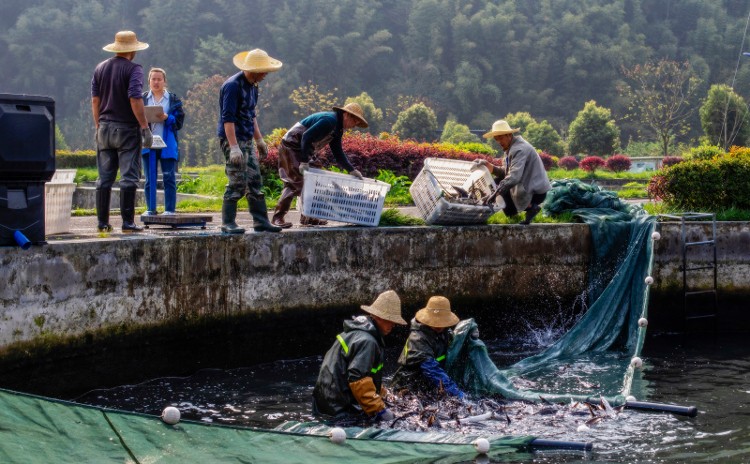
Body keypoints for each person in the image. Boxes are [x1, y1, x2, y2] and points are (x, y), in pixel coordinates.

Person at [313, 290, 407, 422]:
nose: (393, 325)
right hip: (339, 410)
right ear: (377, 316)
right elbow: (359, 379)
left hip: (325, 402)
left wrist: (384, 394)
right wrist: (381, 411)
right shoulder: (368, 341)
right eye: (389, 320)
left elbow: (365, 375)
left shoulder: (356, 332)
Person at [91, 30, 153, 232]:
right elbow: (135, 98)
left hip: (104, 127)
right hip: (126, 129)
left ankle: (102, 223)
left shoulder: (100, 68)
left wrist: (98, 125)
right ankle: (127, 222)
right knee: (128, 177)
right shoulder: (134, 69)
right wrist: (144, 127)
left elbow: (95, 100)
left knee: (104, 178)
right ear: (132, 50)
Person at [271, 103, 368, 228]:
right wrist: (304, 161)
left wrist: (352, 170)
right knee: (295, 182)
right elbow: (306, 136)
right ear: (346, 115)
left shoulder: (338, 128)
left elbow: (337, 151)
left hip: (306, 149)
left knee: (315, 179)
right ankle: (277, 217)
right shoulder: (329, 120)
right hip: (292, 145)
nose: (355, 126)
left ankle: (308, 217)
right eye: (355, 121)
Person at [217, 49, 282, 234]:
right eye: (263, 71)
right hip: (232, 139)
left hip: (247, 138)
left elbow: (251, 114)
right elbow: (227, 119)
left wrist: (259, 139)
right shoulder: (232, 86)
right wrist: (234, 147)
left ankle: (261, 222)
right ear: (253, 70)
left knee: (254, 180)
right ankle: (227, 222)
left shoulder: (253, 86)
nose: (265, 75)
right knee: (237, 180)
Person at [475, 120, 552, 225]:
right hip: (525, 186)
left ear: (509, 135)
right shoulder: (510, 148)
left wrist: (496, 192)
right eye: (496, 138)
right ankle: (514, 216)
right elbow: (505, 172)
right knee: (496, 183)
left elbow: (513, 177)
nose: (499, 141)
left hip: (535, 192)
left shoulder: (518, 149)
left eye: (501, 138)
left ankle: (530, 207)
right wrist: (488, 165)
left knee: (501, 188)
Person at [390, 296, 465, 399]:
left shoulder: (444, 333)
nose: (439, 326)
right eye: (436, 322)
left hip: (429, 384)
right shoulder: (417, 338)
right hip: (407, 387)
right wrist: (455, 392)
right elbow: (431, 368)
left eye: (442, 322)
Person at [141, 67, 184, 215]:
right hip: (148, 143)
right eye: (153, 79)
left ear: (165, 81)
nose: (156, 82)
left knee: (169, 176)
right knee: (149, 178)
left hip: (167, 143)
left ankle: (169, 210)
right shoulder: (143, 98)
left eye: (159, 79)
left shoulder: (173, 99)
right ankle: (150, 209)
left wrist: (167, 118)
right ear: (149, 81)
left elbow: (179, 122)